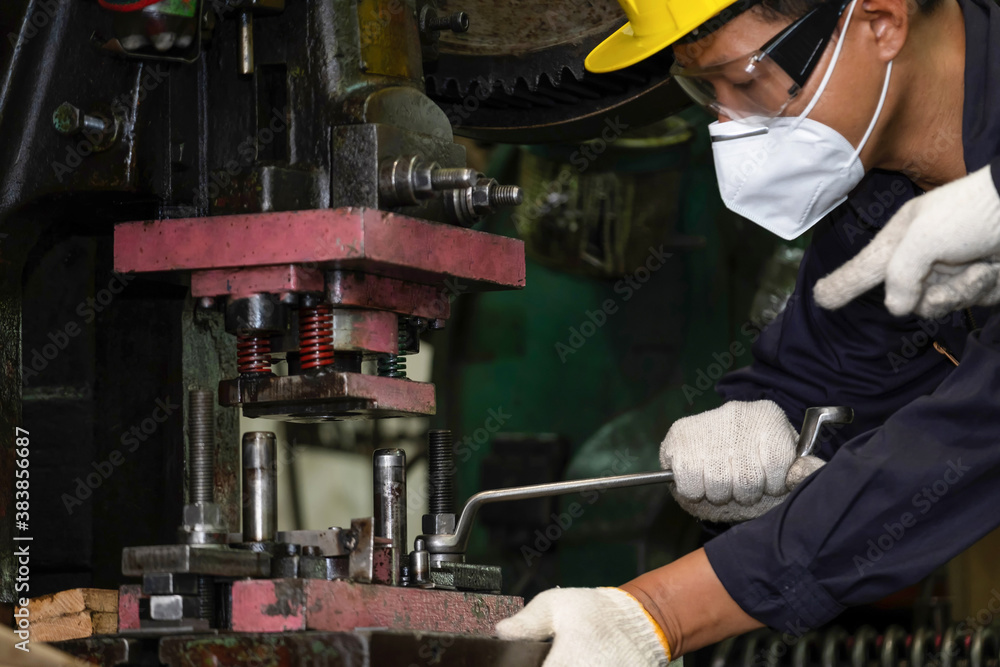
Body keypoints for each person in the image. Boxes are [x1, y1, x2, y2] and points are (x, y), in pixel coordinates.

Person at [495, 0, 1000, 664]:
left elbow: (966, 434)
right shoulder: (874, 204)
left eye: (745, 78)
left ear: (882, 21)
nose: (729, 124)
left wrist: (658, 612)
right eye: (703, 91)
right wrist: (766, 422)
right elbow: (829, 370)